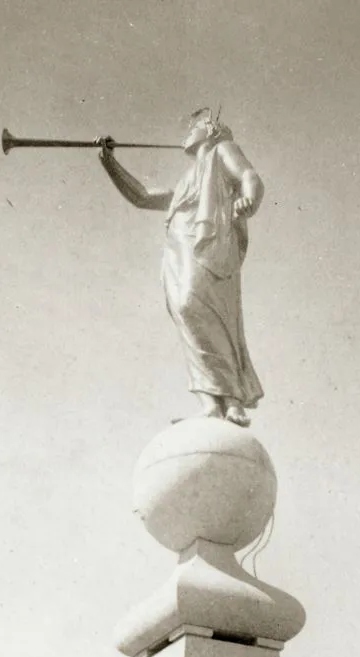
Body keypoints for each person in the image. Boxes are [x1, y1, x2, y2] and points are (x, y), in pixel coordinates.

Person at [98, 108, 264, 427]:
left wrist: (249, 199)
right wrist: (109, 162)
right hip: (179, 249)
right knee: (187, 313)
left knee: (199, 306)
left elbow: (249, 176)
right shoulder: (189, 179)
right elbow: (142, 196)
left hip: (208, 241)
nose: (186, 132)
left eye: (194, 127)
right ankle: (212, 404)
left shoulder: (221, 151)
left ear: (212, 130)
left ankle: (231, 401)